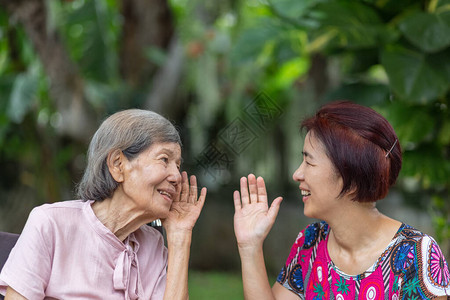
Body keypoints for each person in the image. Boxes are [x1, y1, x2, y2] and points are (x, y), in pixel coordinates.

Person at [233, 101, 449, 299]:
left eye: (309, 162)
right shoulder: (311, 242)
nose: (297, 174)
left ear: (350, 175)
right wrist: (250, 247)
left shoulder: (415, 255)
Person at [0, 109, 207, 299]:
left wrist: (180, 237)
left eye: (177, 165)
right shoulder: (51, 224)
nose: (176, 176)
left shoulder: (152, 246)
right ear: (118, 164)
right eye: (164, 159)